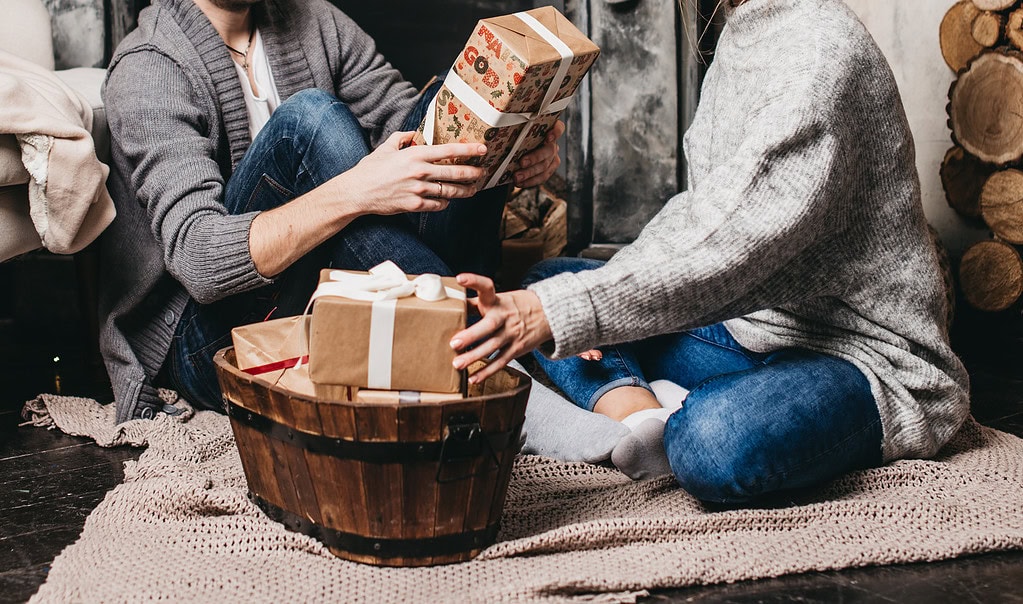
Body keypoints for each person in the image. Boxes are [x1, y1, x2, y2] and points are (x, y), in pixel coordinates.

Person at [449, 0, 970, 504]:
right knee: (551, 279)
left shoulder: (821, 51)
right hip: (749, 328)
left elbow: (736, 244)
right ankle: (645, 420)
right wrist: (576, 303)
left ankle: (682, 409)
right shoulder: (747, 28)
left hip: (860, 357)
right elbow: (702, 209)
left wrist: (570, 310)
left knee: (710, 441)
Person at [98, 0, 564, 423]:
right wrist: (356, 192)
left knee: (454, 114)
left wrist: (513, 153)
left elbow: (410, 134)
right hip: (208, 337)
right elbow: (199, 262)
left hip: (328, 298)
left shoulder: (314, 21)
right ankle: (496, 367)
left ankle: (466, 347)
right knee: (310, 122)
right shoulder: (149, 66)